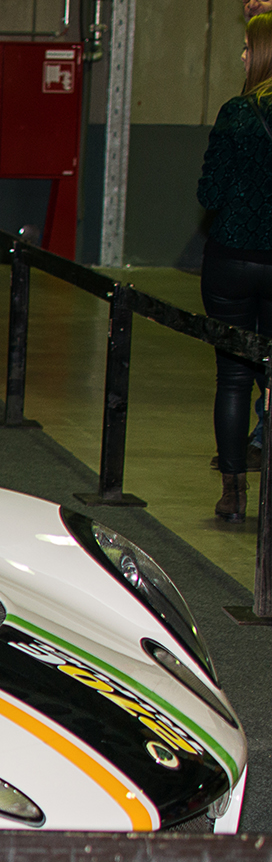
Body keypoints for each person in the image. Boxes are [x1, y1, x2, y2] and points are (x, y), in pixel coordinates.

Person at [198, 14, 272, 521]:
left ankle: (233, 492)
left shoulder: (236, 114)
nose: (243, 56)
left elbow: (209, 193)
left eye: (248, 47)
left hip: (231, 263)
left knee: (232, 379)